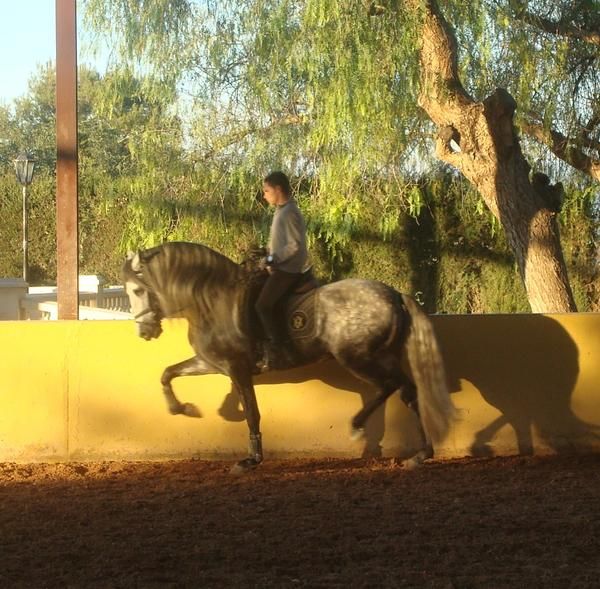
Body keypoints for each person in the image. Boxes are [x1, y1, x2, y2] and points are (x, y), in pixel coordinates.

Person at [255, 171, 309, 371]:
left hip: (289, 270)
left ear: (278, 190)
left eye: (267, 191)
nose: (264, 195)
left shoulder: (290, 212)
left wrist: (271, 258)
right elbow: (280, 243)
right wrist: (265, 253)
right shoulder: (281, 210)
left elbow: (295, 245)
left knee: (262, 305)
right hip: (280, 267)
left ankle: (280, 350)